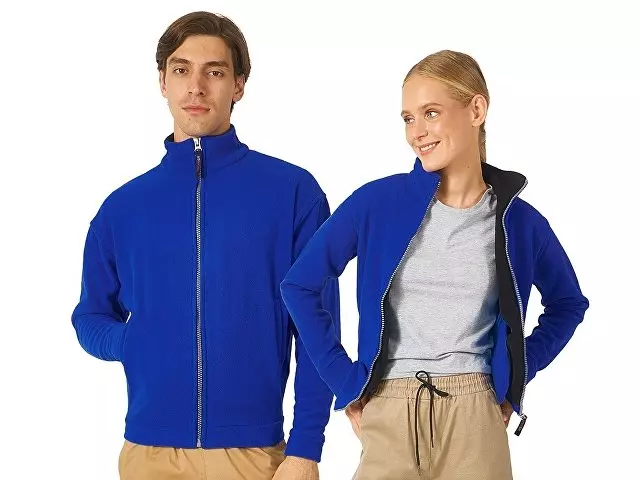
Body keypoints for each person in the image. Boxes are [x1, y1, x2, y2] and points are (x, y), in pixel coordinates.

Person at [280, 50, 589, 479]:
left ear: (476, 110)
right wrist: (344, 380)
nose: (417, 132)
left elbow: (568, 304)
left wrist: (516, 372)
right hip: (389, 407)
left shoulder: (519, 221)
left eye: (430, 113)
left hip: (476, 414)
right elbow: (299, 284)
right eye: (408, 118)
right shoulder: (376, 203)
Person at [71, 11, 338, 480]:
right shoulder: (122, 208)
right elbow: (90, 316)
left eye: (214, 72)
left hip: (254, 453)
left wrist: (306, 448)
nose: (196, 87)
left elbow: (319, 331)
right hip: (149, 455)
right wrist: (128, 340)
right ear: (163, 81)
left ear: (238, 85)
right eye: (181, 70)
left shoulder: (293, 194)